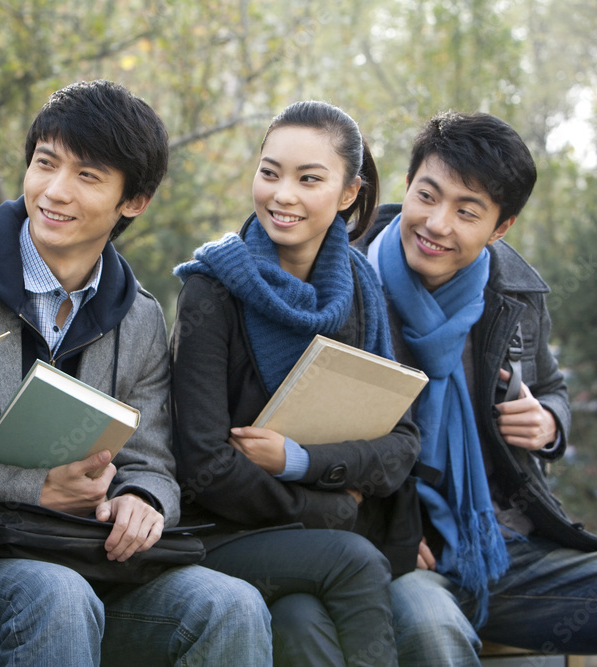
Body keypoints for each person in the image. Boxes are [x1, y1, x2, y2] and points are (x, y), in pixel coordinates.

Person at [0, 79, 270, 666]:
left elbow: (152, 460)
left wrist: (144, 498)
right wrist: (34, 489)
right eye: (46, 163)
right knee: (57, 598)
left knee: (231, 604)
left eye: (88, 176)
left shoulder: (139, 318)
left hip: (82, 555)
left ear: (133, 201)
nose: (54, 191)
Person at [170, 100, 423, 667]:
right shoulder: (212, 291)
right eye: (270, 172)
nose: (282, 194)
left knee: (301, 623)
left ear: (349, 193)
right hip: (214, 534)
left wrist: (299, 462)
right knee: (357, 561)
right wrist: (327, 509)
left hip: (304, 541)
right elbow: (204, 463)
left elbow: (400, 445)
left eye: (309, 179)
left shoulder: (361, 290)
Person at [359, 110, 597, 664]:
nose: (436, 224)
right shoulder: (345, 284)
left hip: (506, 543)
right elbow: (306, 440)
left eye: (467, 212)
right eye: (427, 195)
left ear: (500, 228)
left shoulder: (515, 295)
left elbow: (553, 386)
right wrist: (374, 527)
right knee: (431, 633)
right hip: (403, 554)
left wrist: (550, 422)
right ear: (408, 184)